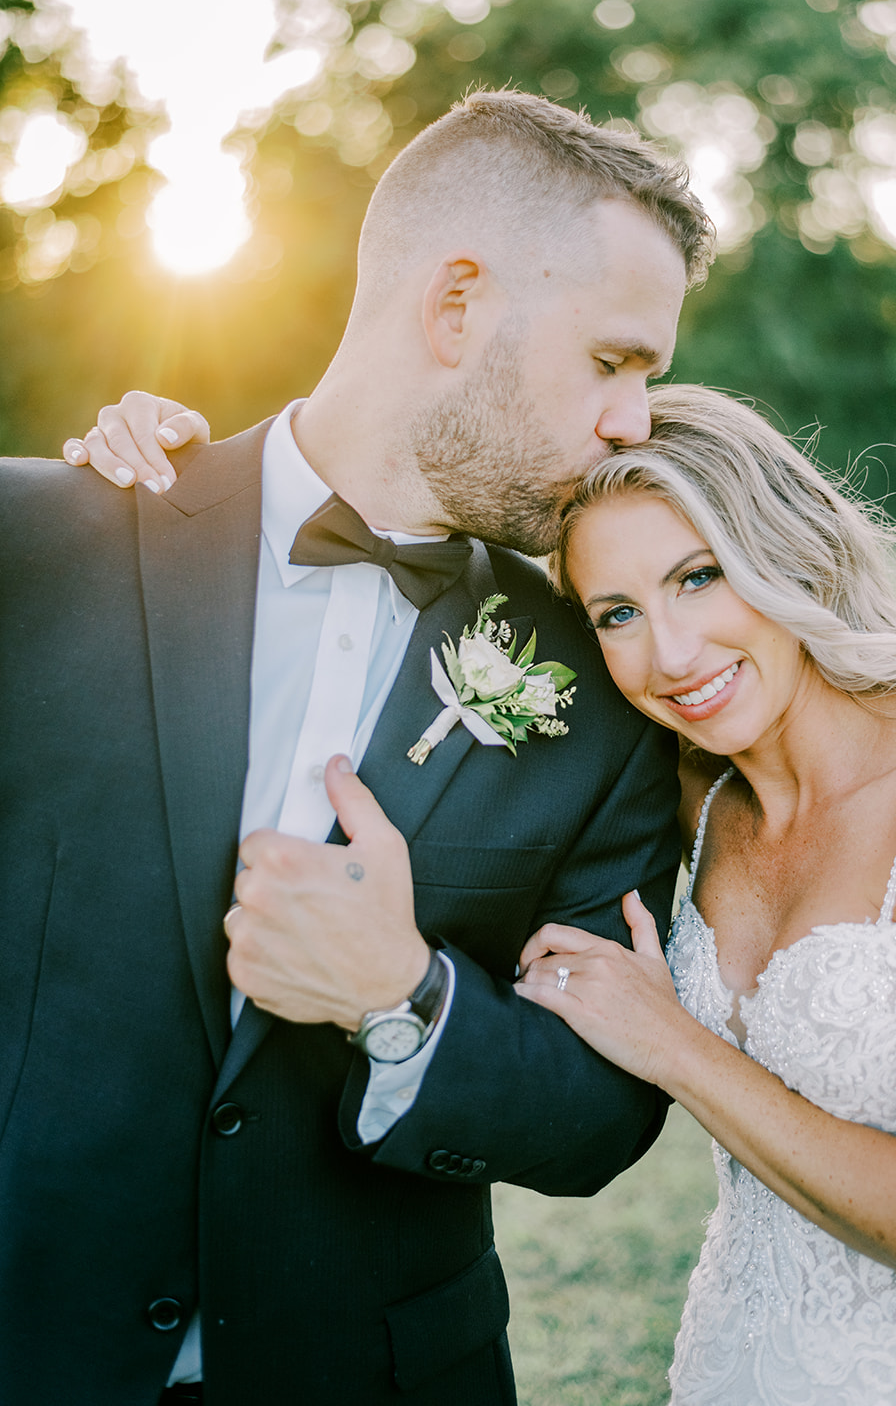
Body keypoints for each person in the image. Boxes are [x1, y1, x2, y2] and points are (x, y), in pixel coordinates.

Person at [0, 92, 716, 1406]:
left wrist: (405, 1000)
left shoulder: (601, 691)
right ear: (457, 308)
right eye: (614, 360)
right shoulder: (41, 547)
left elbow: (598, 1117)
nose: (634, 420)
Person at [511, 383, 896, 1403]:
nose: (671, 656)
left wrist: (676, 1044)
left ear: (787, 551)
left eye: (699, 576)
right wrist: (195, 483)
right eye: (619, 613)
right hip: (738, 1362)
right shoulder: (694, 793)